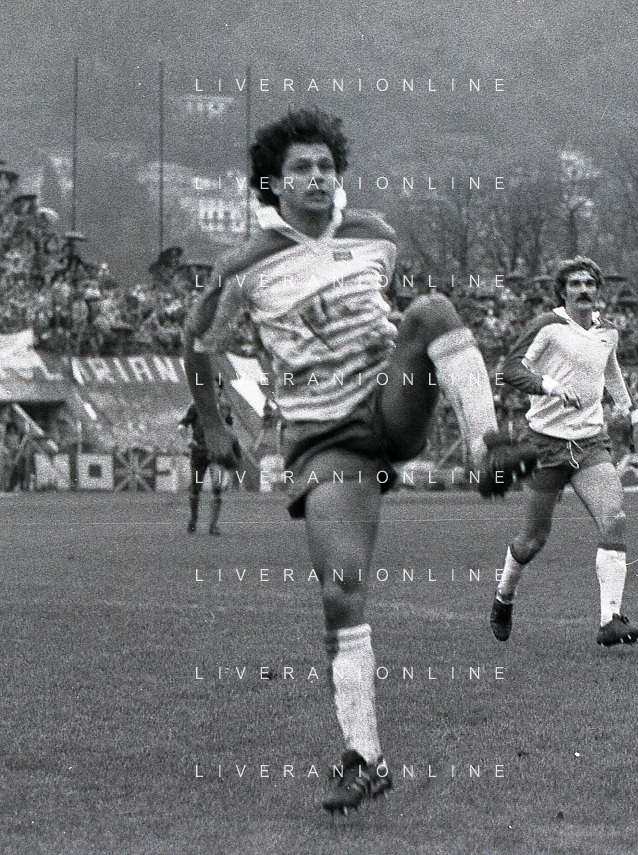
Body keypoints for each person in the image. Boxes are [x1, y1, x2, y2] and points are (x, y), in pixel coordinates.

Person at [184, 108, 534, 815]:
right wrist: (215, 423)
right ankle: (365, 758)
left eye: (326, 165)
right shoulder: (243, 266)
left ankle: (486, 448)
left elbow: (390, 315)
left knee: (431, 310)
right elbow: (196, 342)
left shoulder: (374, 234)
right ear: (272, 183)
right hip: (324, 439)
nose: (317, 176)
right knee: (341, 587)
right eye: (301, 168)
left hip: (387, 404)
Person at [489, 256, 638, 646]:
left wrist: (634, 415)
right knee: (532, 541)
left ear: (598, 290)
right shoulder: (548, 325)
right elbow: (509, 369)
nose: (583, 289)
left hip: (591, 442)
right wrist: (549, 386)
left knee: (614, 518)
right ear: (562, 291)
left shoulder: (607, 331)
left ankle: (610, 620)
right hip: (545, 443)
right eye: (575, 284)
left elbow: (610, 371)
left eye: (589, 283)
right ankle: (504, 596)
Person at [179, 385, 234, 534]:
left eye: (217, 387)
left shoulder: (225, 407)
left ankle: (213, 525)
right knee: (196, 487)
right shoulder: (196, 406)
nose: (214, 390)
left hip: (216, 453)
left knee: (217, 487)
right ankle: (193, 519)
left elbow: (229, 428)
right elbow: (182, 425)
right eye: (211, 386)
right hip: (199, 453)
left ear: (220, 390)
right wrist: (187, 440)